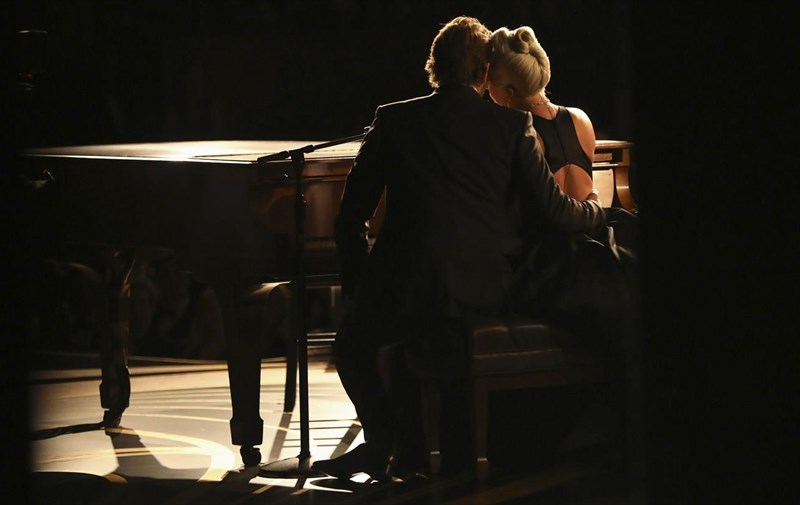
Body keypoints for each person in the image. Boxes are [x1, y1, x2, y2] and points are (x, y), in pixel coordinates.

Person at [310, 16, 606, 482]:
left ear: (434, 65)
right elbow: (557, 212)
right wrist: (598, 212)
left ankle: (385, 442)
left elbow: (350, 218)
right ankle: (455, 448)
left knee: (351, 347)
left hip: (405, 288)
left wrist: (361, 285)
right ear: (485, 72)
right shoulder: (513, 124)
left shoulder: (394, 118)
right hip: (487, 291)